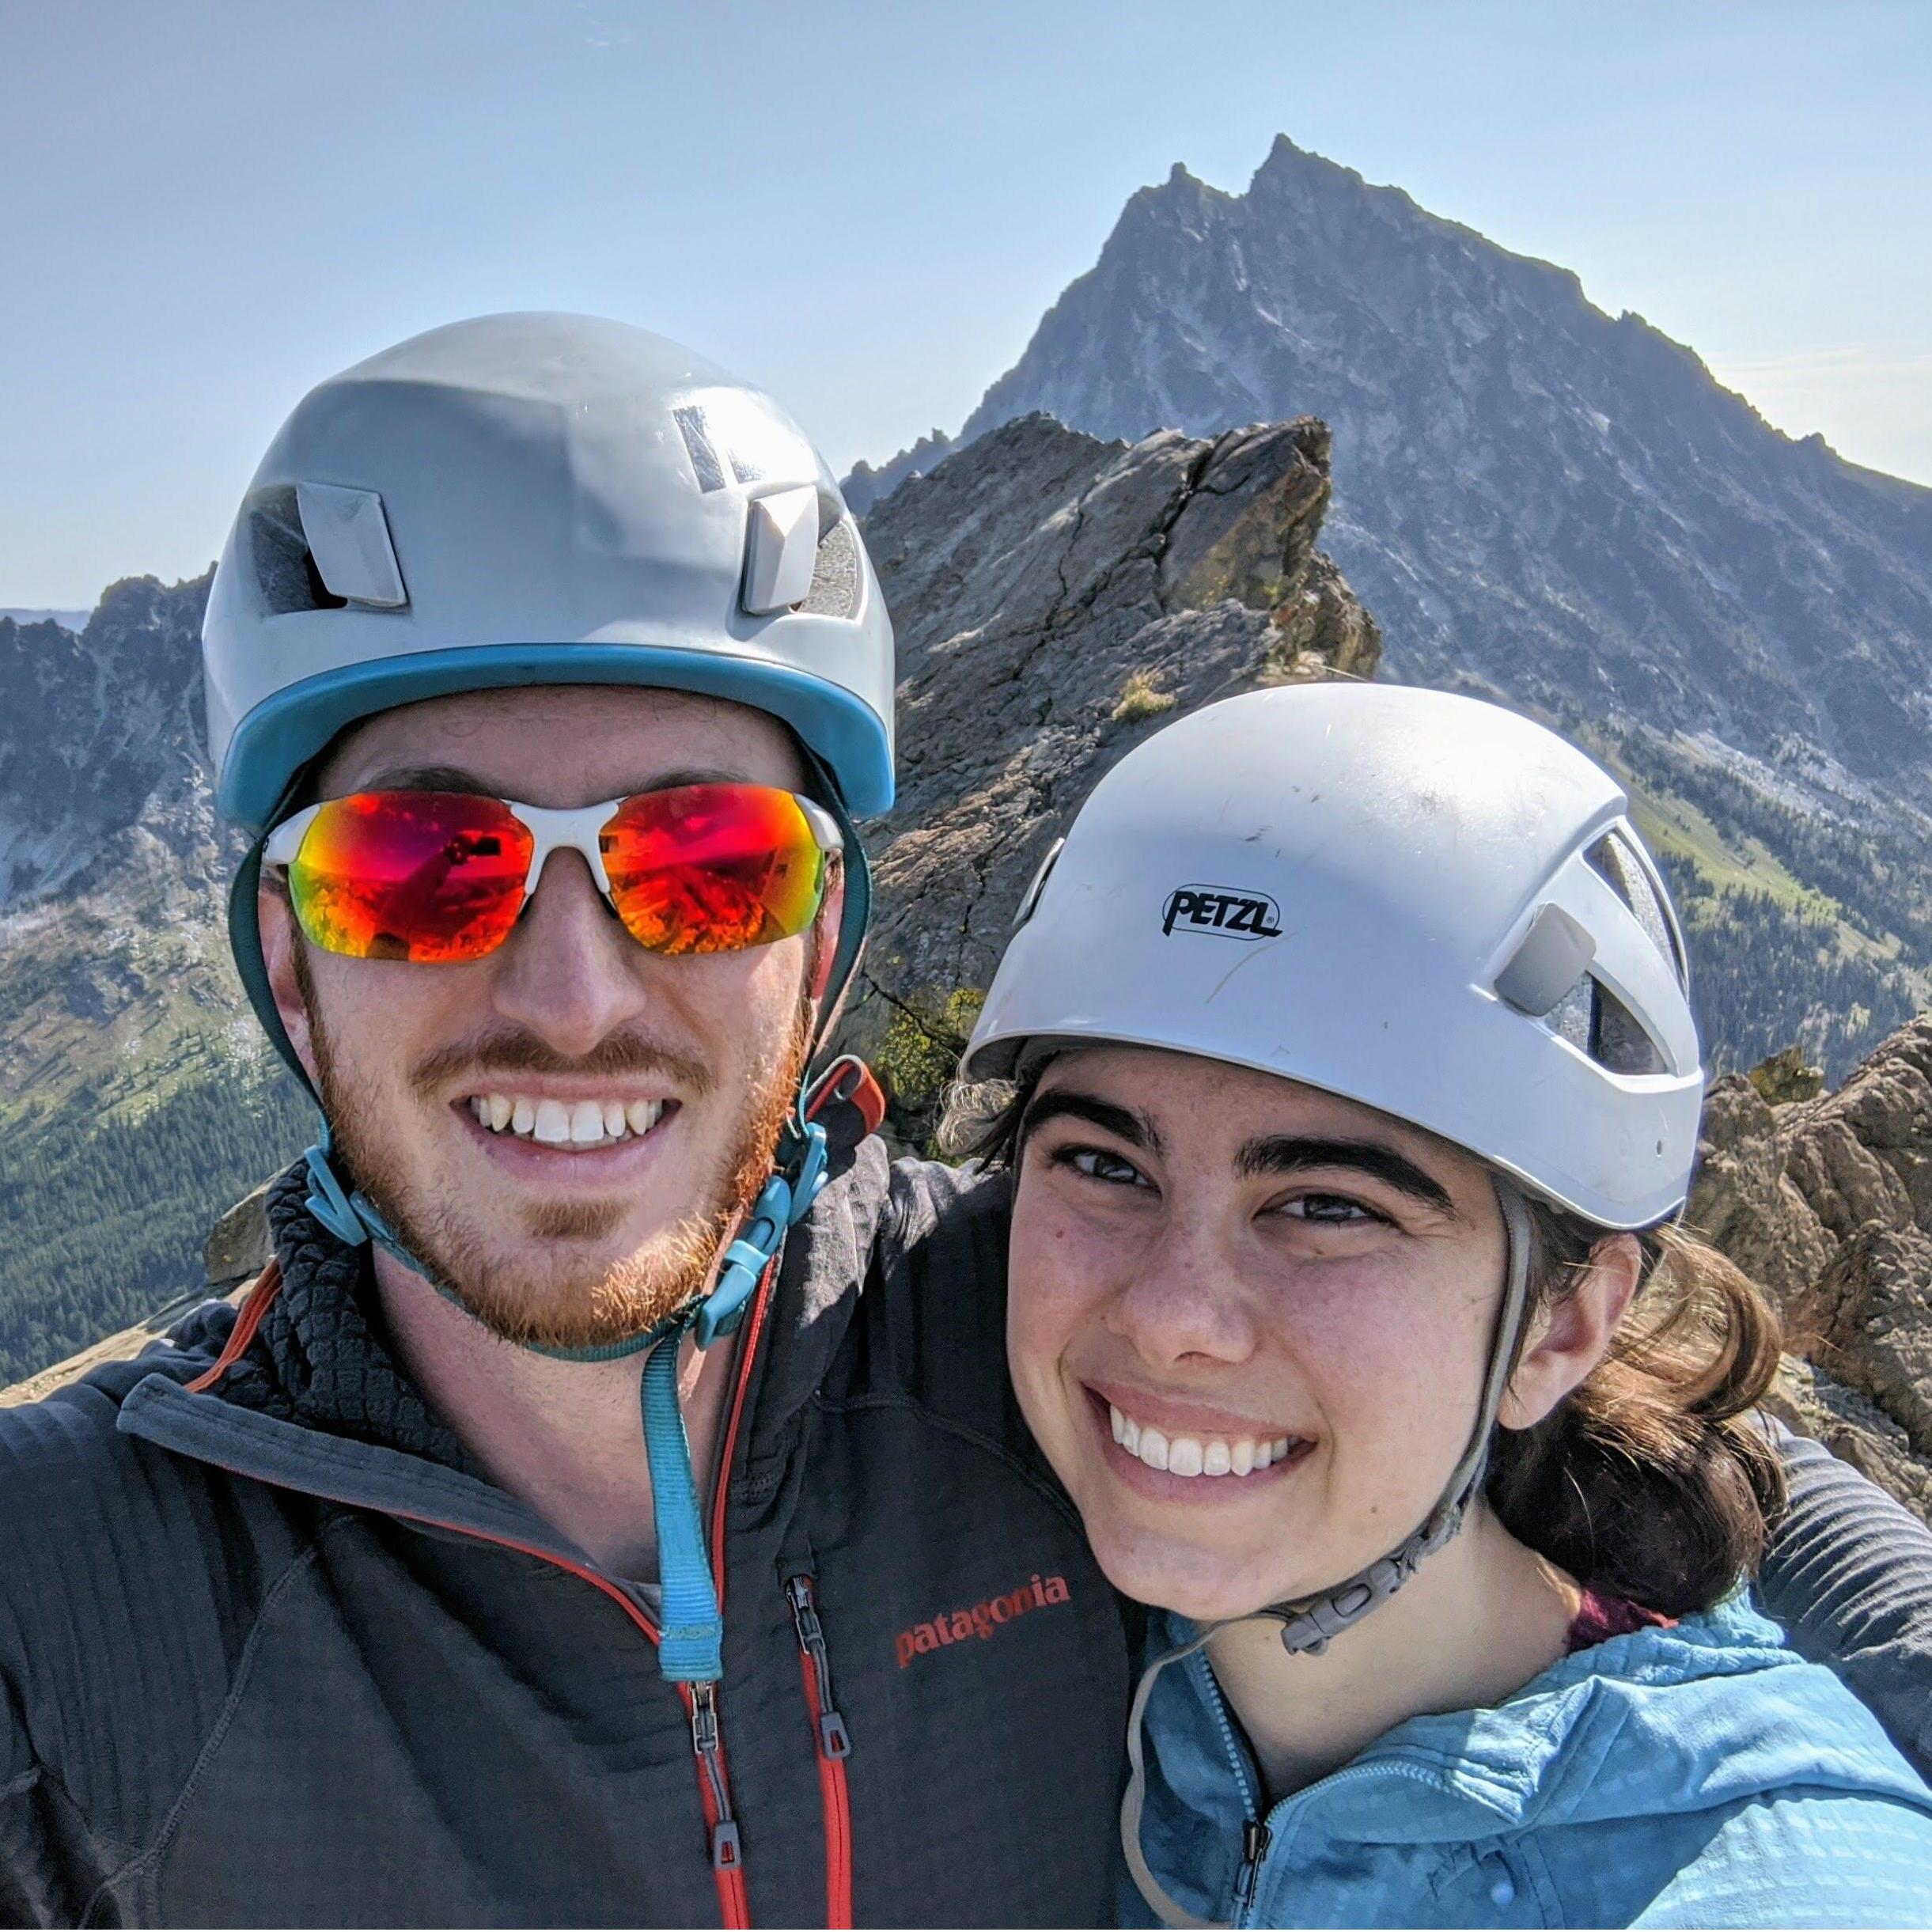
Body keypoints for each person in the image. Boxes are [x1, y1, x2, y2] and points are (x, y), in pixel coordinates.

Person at [0, 316, 1925, 1930]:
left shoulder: (1036, 1318)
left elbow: (1631, 1449)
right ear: (287, 952)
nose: (574, 999)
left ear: (825, 933)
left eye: (702, 864)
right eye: (423, 867)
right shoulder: (89, 1574)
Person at [952, 682, 1932, 1927]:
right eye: (1102, 1164)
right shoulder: (1082, 1658)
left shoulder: (1765, 1883)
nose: (1169, 1315)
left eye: (1328, 1205)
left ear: (1561, 1327)